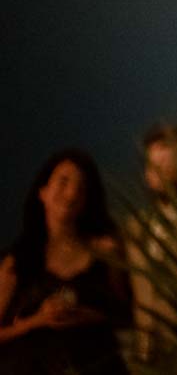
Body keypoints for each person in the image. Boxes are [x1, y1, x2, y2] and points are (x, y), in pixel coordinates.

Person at [0, 149, 130, 374]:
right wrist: (37, 321)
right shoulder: (20, 259)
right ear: (42, 191)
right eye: (63, 182)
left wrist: (89, 315)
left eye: (81, 187)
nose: (71, 193)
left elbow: (126, 314)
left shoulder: (105, 251)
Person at [127, 123, 177, 360]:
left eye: (166, 162)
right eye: (152, 164)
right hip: (148, 354)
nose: (157, 171)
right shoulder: (135, 228)